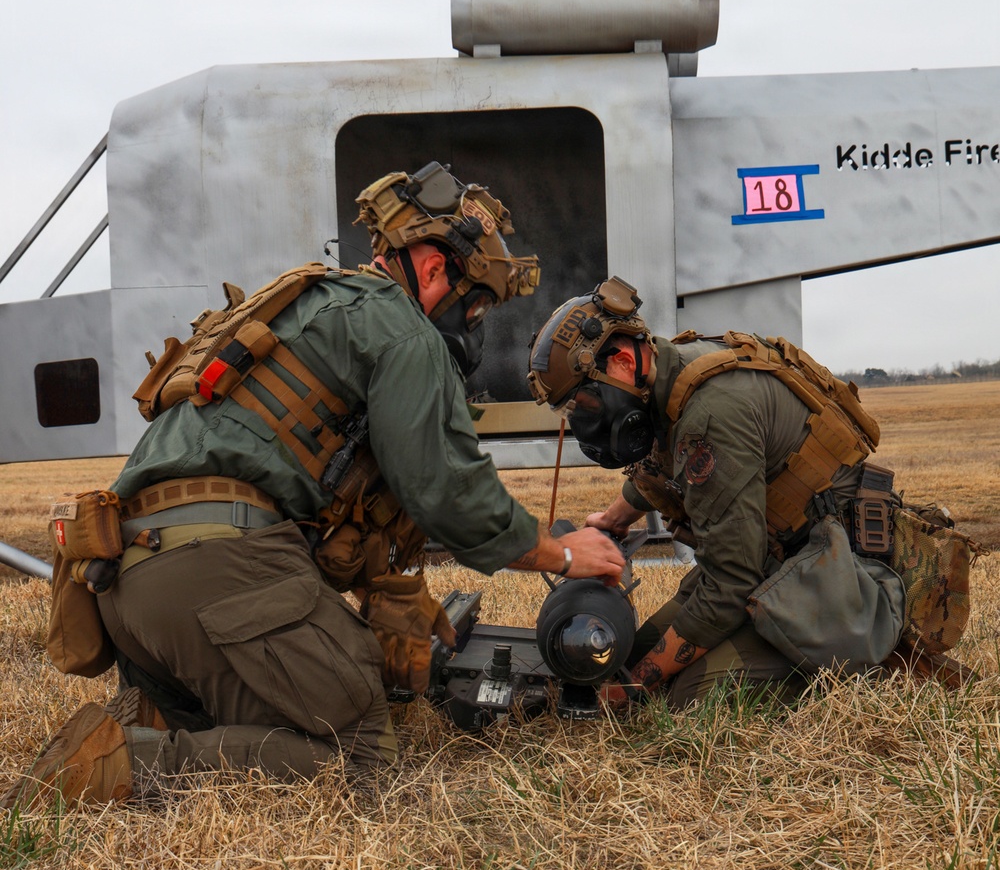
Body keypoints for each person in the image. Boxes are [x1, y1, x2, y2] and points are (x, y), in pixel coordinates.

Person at [11, 164, 623, 809]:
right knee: (356, 753)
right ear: (437, 271)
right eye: (476, 305)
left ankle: (154, 724)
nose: (472, 324)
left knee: (274, 715)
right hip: (214, 570)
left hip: (125, 586)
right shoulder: (403, 331)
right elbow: (448, 493)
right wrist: (561, 553)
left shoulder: (314, 308)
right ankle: (110, 770)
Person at [527, 276, 910, 708]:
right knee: (628, 654)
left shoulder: (710, 414)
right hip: (777, 557)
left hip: (835, 575)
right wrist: (613, 520)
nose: (584, 420)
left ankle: (860, 670)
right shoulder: (670, 375)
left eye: (584, 403)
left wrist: (634, 689)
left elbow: (730, 584)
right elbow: (662, 462)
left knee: (687, 697)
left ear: (618, 361)